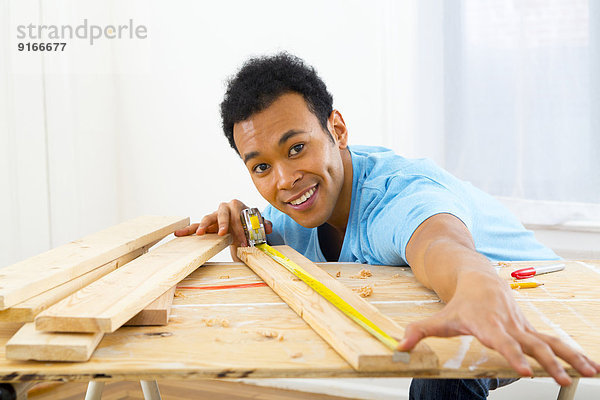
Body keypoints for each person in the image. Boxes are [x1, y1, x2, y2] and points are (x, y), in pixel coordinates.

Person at [175, 52, 599, 399]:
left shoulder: (398, 195)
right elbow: (274, 243)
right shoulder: (291, 210)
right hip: (474, 303)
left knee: (443, 379)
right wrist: (253, 232)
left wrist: (474, 288)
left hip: (531, 303)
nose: (284, 180)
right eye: (262, 166)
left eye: (297, 148)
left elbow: (444, 247)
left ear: (337, 130)